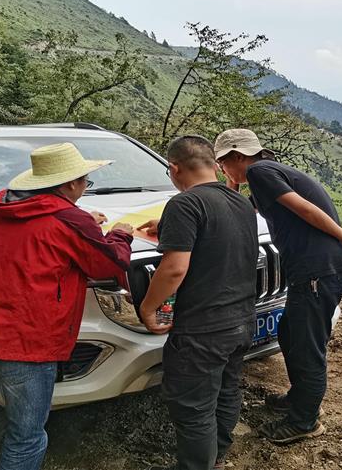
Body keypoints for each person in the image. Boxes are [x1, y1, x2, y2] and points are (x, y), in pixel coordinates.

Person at [0, 142, 134, 470]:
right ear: (70, 184)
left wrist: (82, 220)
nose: (85, 188)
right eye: (85, 182)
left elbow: (37, 229)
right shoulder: (70, 220)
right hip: (26, 343)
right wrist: (120, 234)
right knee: (26, 435)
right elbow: (108, 264)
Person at [214, 128, 342, 444]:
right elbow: (238, 210)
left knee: (305, 345)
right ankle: (301, 399)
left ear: (237, 156)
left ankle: (304, 421)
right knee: (289, 333)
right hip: (316, 271)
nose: (221, 169)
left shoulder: (259, 172)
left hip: (318, 271)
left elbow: (304, 208)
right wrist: (232, 182)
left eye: (222, 163)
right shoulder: (267, 174)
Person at [138, 135, 258, 470]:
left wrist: (148, 308)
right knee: (226, 391)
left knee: (193, 408)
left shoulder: (184, 204)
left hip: (203, 330)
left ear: (174, 168)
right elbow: (218, 239)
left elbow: (174, 269)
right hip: (241, 320)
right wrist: (168, 227)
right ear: (214, 165)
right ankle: (217, 456)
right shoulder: (240, 203)